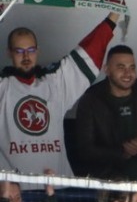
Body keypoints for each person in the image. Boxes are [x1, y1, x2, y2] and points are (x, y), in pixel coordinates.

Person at [1, 15, 117, 178]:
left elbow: (89, 51)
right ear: (9, 53)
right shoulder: (2, 88)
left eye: (31, 50)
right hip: (12, 191)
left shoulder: (54, 83)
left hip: (58, 186)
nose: (26, 57)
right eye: (19, 51)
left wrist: (114, 14)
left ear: (37, 51)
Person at [72, 44, 137, 184]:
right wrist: (122, 152)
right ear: (107, 70)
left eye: (132, 68)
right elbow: (85, 150)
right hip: (109, 184)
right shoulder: (91, 100)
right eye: (121, 67)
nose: (128, 73)